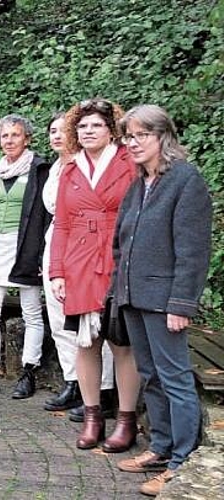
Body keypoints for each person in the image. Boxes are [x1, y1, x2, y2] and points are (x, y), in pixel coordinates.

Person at [112, 105, 211, 497]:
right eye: (128, 137)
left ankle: (182, 461)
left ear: (162, 136)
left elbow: (193, 251)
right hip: (135, 295)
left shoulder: (185, 181)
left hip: (165, 299)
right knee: (150, 375)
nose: (132, 144)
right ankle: (161, 447)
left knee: (175, 378)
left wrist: (181, 304)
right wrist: (120, 286)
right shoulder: (139, 184)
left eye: (140, 136)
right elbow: (122, 241)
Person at [49, 98, 139, 453]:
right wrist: (57, 271)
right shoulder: (70, 169)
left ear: (111, 128)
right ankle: (92, 417)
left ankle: (126, 420)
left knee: (122, 342)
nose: (88, 131)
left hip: (118, 257)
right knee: (85, 342)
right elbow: (62, 224)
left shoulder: (129, 163)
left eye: (96, 125)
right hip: (79, 261)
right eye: (82, 126)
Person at [0, 115, 50, 399]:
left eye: (16, 135)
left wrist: (41, 254)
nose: (10, 140)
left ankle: (29, 371)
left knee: (31, 314)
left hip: (25, 248)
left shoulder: (40, 170)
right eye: (5, 136)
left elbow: (45, 215)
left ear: (27, 138)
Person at [41, 113, 116, 417]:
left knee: (97, 321)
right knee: (60, 318)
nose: (57, 136)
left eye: (62, 130)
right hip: (60, 241)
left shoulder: (94, 167)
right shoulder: (58, 169)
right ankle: (73, 381)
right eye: (53, 131)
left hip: (93, 245)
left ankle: (105, 388)